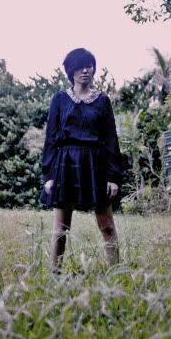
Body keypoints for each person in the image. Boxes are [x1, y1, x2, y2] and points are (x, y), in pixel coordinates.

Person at [40, 48, 122, 269]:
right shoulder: (59, 99)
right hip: (66, 166)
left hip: (97, 166)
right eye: (80, 66)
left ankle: (117, 273)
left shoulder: (103, 101)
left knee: (107, 226)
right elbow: (51, 139)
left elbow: (111, 140)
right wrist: (49, 176)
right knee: (60, 230)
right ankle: (55, 276)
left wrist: (113, 177)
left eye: (89, 66)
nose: (85, 70)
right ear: (71, 71)